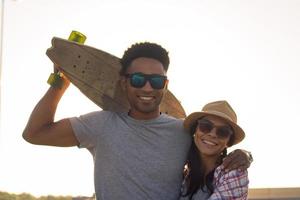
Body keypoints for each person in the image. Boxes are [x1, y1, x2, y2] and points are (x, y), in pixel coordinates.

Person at [23, 42, 252, 200]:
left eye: (156, 81)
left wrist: (244, 155)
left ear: (165, 85)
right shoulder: (100, 124)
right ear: (124, 82)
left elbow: (213, 148)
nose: (147, 87)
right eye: (138, 79)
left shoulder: (182, 129)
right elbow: (35, 133)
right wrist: (60, 83)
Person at [180, 100, 249, 200]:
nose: (212, 134)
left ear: (229, 142)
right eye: (206, 126)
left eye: (223, 132)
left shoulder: (235, 173)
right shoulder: (185, 175)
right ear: (196, 129)